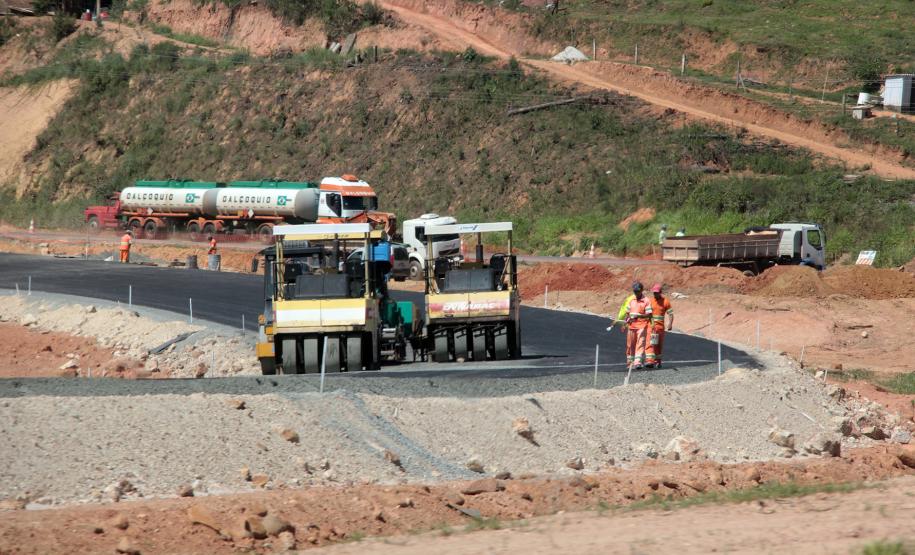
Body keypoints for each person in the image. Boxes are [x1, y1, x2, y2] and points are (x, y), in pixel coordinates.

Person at [621, 281, 652, 370]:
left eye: (638, 291)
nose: (636, 293)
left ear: (642, 290)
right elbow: (627, 314)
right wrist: (624, 324)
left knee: (640, 343)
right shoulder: (631, 300)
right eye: (635, 291)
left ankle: (637, 362)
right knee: (630, 344)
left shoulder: (646, 301)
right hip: (631, 325)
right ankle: (630, 362)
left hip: (642, 326)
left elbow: (649, 314)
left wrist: (639, 315)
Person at [645, 283, 673, 368]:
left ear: (660, 292)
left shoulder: (665, 302)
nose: (655, 294)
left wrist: (670, 324)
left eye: (656, 292)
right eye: (654, 292)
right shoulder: (650, 301)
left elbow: (670, 314)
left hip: (660, 328)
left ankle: (658, 361)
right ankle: (650, 361)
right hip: (651, 326)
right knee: (650, 343)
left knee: (658, 345)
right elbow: (646, 313)